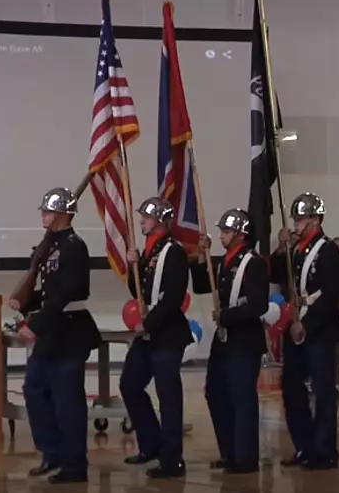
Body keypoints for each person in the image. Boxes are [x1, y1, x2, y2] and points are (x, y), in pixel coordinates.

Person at [10, 187, 101, 484]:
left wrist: (34, 325)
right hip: (53, 329)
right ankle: (52, 452)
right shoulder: (50, 244)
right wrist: (26, 302)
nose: (43, 215)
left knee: (67, 402)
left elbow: (63, 295)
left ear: (63, 215)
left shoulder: (74, 246)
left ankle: (74, 466)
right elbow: (49, 290)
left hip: (70, 330)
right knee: (35, 391)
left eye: (47, 212)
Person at [270, 192, 339, 470]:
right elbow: (277, 275)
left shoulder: (326, 249)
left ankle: (324, 451)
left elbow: (330, 292)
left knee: (323, 392)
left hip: (319, 330)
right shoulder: (297, 250)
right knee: (291, 388)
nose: (296, 224)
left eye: (301, 219)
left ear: (315, 219)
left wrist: (307, 324)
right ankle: (304, 446)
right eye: (295, 219)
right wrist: (281, 247)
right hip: (295, 326)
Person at [120, 197, 191, 478]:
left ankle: (172, 459)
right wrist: (133, 266)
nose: (141, 221)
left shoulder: (173, 252)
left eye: (146, 218)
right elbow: (136, 290)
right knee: (130, 384)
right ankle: (151, 444)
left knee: (168, 395)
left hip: (167, 333)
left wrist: (147, 322)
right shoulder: (148, 251)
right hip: (149, 332)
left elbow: (173, 297)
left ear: (160, 221)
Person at [193, 209, 268, 474]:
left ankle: (245, 457)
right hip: (225, 339)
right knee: (216, 392)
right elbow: (203, 286)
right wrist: (202, 257)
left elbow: (258, 304)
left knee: (242, 397)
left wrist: (226, 315)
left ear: (239, 234)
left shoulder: (253, 263)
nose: (221, 235)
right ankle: (229, 451)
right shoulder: (226, 260)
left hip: (245, 338)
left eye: (225, 231)